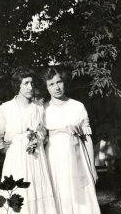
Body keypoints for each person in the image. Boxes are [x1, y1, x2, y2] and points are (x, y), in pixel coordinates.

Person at [0, 67, 57, 214]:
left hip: (37, 159)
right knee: (19, 193)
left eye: (32, 83)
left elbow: (44, 132)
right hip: (16, 160)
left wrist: (36, 139)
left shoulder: (38, 108)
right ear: (17, 85)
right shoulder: (5, 109)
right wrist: (9, 151)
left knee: (38, 191)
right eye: (25, 83)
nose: (30, 87)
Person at [43, 67, 101, 214]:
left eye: (59, 82)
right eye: (51, 84)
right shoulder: (43, 110)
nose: (57, 87)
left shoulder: (77, 106)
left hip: (77, 159)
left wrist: (92, 167)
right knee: (60, 195)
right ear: (46, 87)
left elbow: (87, 139)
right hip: (54, 161)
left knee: (81, 198)